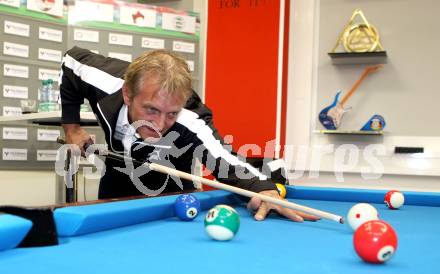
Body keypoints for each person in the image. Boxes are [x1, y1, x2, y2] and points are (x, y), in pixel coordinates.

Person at [60, 46, 319, 222]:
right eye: (151, 109)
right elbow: (70, 62)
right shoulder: (105, 82)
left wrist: (265, 190)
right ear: (128, 94)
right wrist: (71, 127)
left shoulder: (191, 119)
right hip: (117, 180)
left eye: (171, 113)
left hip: (172, 195)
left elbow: (225, 161)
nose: (160, 124)